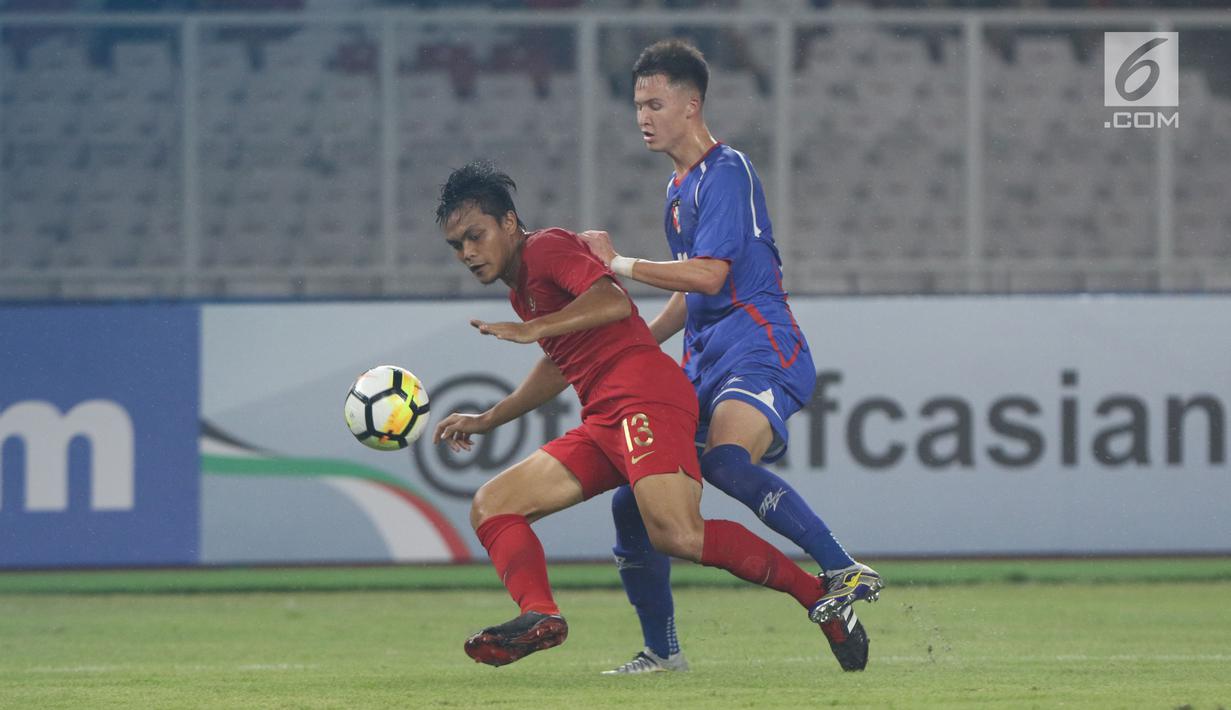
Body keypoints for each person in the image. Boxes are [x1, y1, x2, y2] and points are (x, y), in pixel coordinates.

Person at [431, 160, 840, 669]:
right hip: (605, 416)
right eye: (457, 246)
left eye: (475, 236)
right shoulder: (522, 289)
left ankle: (819, 599)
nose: (468, 253)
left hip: (645, 397)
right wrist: (488, 418)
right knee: (492, 505)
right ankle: (541, 616)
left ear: (509, 224)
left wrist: (537, 329)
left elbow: (612, 301)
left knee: (677, 534)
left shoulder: (548, 247)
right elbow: (561, 366)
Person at [578, 39, 883, 674]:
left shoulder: (729, 171)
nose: (643, 116)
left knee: (724, 462)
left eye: (655, 103)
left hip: (759, 345)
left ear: (692, 106)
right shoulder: (676, 189)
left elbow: (713, 276)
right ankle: (662, 653)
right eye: (637, 104)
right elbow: (690, 294)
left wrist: (618, 266)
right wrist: (636, 346)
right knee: (631, 504)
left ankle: (842, 569)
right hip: (706, 358)